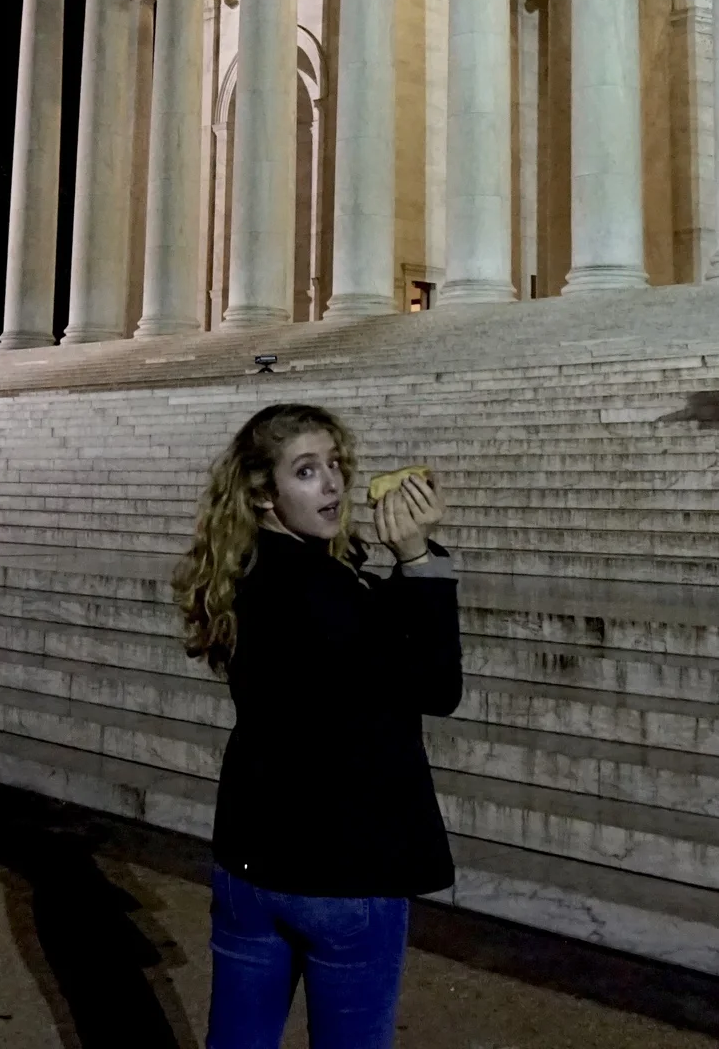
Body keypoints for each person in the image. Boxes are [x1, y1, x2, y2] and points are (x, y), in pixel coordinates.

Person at [172, 402, 461, 1049]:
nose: (332, 484)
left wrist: (401, 568)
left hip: (251, 861)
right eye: (306, 471)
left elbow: (356, 625)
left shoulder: (240, 575)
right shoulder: (327, 591)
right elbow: (437, 686)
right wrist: (417, 556)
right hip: (344, 873)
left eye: (334, 465)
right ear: (265, 495)